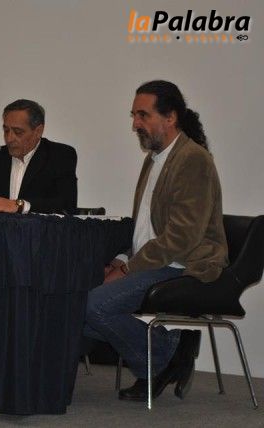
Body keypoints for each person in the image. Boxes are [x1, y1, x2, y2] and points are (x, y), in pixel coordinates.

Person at [83, 80, 228, 402]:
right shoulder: (155, 159)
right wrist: (121, 260)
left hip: (183, 265)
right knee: (71, 301)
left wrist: (127, 270)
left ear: (170, 117)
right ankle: (166, 351)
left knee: (94, 306)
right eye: (134, 115)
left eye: (143, 115)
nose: (135, 124)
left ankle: (165, 355)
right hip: (154, 262)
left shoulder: (193, 159)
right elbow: (146, 230)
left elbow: (182, 237)